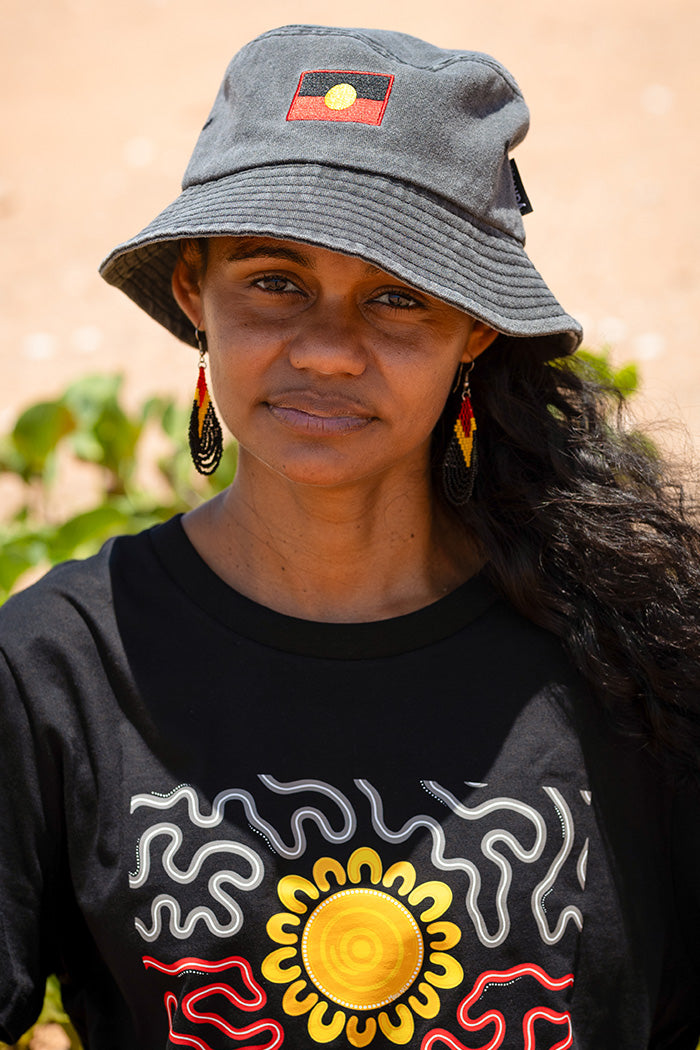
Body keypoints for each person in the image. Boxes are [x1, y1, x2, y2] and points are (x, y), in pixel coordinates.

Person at [1, 23, 699, 1050]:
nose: (326, 350)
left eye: (396, 297)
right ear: (196, 292)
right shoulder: (56, 669)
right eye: (274, 282)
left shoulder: (638, 663)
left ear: (476, 327)